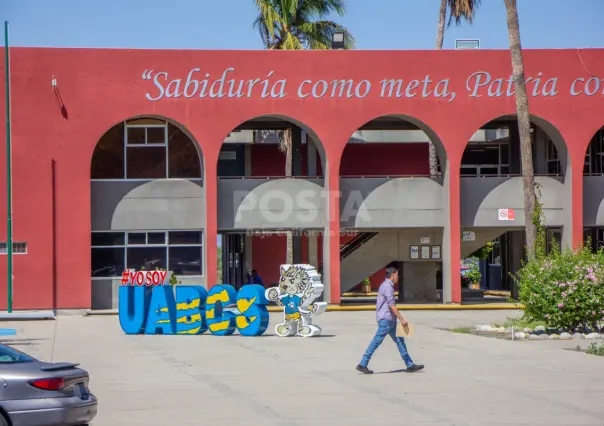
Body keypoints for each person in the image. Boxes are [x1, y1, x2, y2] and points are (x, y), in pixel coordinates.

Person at [356, 266, 424, 374]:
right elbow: (391, 305)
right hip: (386, 320)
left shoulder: (386, 285)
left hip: (389, 320)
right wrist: (402, 319)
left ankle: (409, 364)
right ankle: (363, 363)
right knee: (376, 341)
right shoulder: (388, 287)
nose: (398, 277)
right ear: (392, 275)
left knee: (400, 341)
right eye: (397, 274)